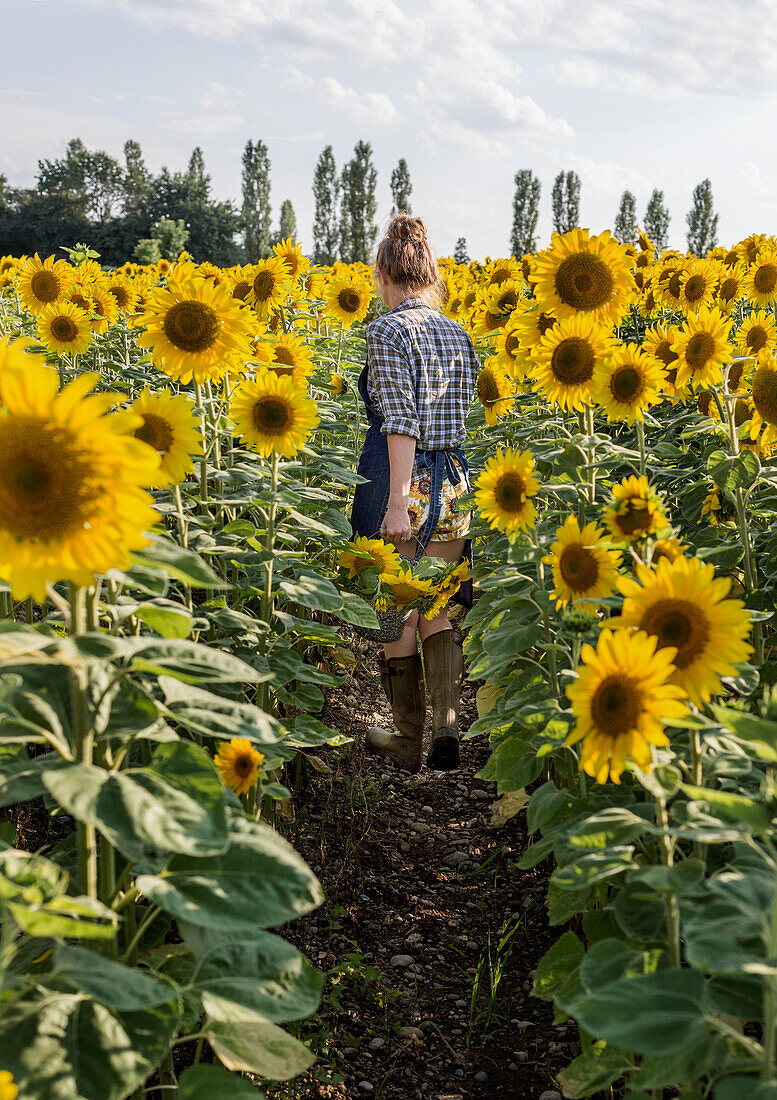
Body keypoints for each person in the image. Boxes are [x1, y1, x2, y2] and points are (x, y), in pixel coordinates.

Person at [350, 213, 480, 773]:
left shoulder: (386, 331)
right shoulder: (456, 332)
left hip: (405, 483)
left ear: (383, 273)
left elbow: (399, 421)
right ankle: (447, 734)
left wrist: (398, 498)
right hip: (453, 483)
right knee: (441, 606)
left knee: (398, 613)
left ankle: (407, 740)